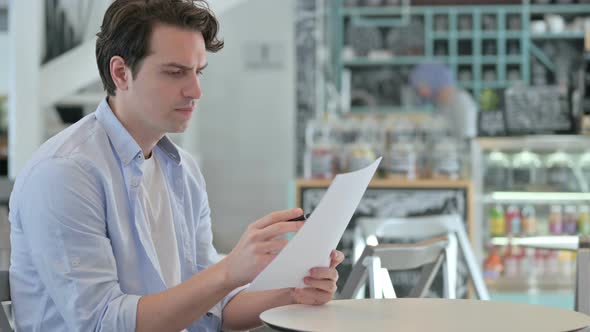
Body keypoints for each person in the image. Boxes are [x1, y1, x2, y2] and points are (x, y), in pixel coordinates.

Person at [8, 1, 344, 331]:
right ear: (121, 73)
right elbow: (102, 323)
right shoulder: (65, 174)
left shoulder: (181, 170)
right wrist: (227, 272)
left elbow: (212, 311)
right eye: (175, 72)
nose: (196, 90)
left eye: (198, 72)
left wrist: (294, 291)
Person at [409, 62, 478, 139]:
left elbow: (467, 138)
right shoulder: (441, 103)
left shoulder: (461, 101)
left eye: (420, 86)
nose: (419, 93)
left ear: (433, 80)